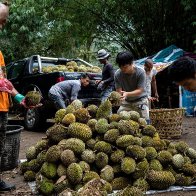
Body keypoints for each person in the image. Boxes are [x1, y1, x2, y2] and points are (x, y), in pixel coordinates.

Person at [114, 51, 149, 120]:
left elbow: (140, 90)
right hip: (126, 102)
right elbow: (119, 91)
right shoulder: (117, 74)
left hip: (141, 100)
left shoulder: (140, 72)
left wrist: (127, 94)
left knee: (145, 120)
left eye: (125, 67)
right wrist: (117, 98)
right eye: (120, 67)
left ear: (132, 63)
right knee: (118, 119)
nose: (122, 69)